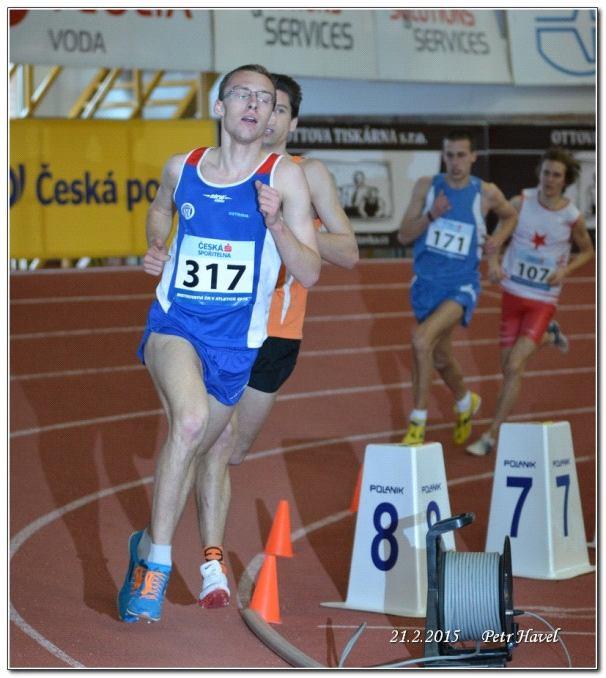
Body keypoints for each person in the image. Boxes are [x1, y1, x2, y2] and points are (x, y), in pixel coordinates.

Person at [117, 64, 321, 623]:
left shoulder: (284, 177)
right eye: (243, 96)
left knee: (208, 445)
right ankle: (155, 565)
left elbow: (310, 273)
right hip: (175, 322)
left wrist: (277, 225)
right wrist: (157, 244)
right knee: (186, 423)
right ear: (219, 105)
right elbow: (161, 208)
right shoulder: (181, 167)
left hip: (237, 344)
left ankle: (150, 544)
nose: (255, 106)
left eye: (265, 98)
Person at [193, 73, 359, 608]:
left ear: (291, 121)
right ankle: (209, 562)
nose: (268, 115)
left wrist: (293, 225)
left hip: (277, 334)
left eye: (280, 108)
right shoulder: (224, 167)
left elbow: (350, 253)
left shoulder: (306, 175)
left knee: (233, 448)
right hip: (222, 326)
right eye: (261, 103)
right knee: (212, 443)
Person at [466, 147, 594, 455]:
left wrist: (565, 269)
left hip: (542, 299)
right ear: (539, 173)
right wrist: (494, 264)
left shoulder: (571, 217)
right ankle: (550, 335)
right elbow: (496, 238)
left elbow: (589, 251)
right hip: (512, 295)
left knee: (515, 362)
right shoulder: (520, 202)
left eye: (557, 175)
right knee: (509, 370)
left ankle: (491, 435)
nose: (550, 179)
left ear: (566, 180)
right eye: (546, 172)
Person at [398, 129, 517, 446]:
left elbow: (510, 216)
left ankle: (417, 424)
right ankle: (466, 402)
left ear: (473, 156)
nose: (455, 162)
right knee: (440, 357)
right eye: (449, 155)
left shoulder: (485, 193)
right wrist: (431, 215)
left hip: (461, 286)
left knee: (420, 341)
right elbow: (404, 236)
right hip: (425, 286)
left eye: (461, 155)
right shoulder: (428, 187)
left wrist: (496, 241)